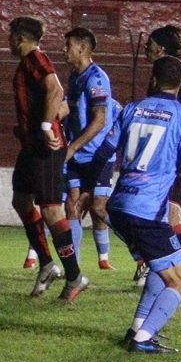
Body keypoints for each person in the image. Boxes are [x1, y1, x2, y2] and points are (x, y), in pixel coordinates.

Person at [85, 56, 181, 352]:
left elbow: (103, 152)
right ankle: (144, 339)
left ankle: (137, 329)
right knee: (180, 283)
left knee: (161, 268)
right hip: (147, 212)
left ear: (153, 79)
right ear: (180, 83)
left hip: (119, 207)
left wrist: (89, 190)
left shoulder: (131, 109)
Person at [7, 16, 87, 302]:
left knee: (52, 210)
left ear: (20, 38)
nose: (8, 41)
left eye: (10, 36)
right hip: (32, 147)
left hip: (46, 148)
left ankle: (75, 277)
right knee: (21, 201)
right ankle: (46, 263)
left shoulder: (35, 59)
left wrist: (44, 126)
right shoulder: (27, 63)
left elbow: (56, 90)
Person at [138, 24, 181, 281]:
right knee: (158, 214)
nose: (145, 49)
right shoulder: (160, 77)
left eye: (149, 45)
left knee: (169, 214)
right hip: (161, 159)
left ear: (160, 49)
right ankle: (157, 266)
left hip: (177, 159)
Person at [62, 27, 116, 270]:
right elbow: (69, 109)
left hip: (97, 155)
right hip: (76, 154)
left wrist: (72, 147)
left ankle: (139, 251)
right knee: (72, 205)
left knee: (98, 208)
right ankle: (74, 268)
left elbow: (99, 120)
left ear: (82, 49)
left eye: (68, 46)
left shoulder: (96, 78)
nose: (64, 50)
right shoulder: (74, 76)